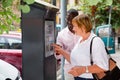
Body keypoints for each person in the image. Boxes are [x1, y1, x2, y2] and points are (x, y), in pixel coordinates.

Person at [53, 14, 109, 80]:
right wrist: (61, 51)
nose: (73, 29)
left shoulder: (96, 41)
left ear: (83, 27)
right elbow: (74, 60)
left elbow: (103, 67)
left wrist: (82, 70)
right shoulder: (81, 40)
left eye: (75, 26)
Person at [55, 9, 79, 80]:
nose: (70, 22)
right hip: (69, 69)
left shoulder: (83, 31)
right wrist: (58, 51)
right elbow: (58, 56)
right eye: (68, 20)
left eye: (72, 20)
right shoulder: (62, 34)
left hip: (85, 69)